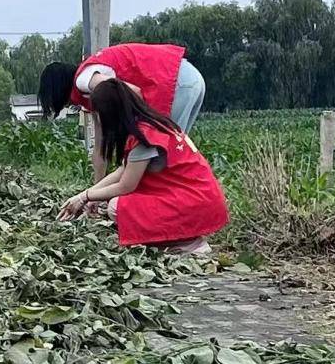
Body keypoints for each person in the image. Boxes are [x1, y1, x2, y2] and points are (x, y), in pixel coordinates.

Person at [57, 79, 228, 254]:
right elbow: (122, 171)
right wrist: (87, 195)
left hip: (194, 203)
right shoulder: (151, 125)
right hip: (197, 198)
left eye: (99, 112)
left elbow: (125, 185)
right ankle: (181, 240)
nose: (98, 118)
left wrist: (85, 197)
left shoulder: (144, 137)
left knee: (117, 207)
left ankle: (188, 244)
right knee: (118, 203)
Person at [39, 43, 206, 179]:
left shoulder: (85, 80)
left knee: (164, 155)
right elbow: (100, 146)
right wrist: (97, 189)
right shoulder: (90, 91)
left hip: (174, 81)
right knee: (176, 150)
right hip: (188, 77)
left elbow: (134, 92)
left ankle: (177, 204)